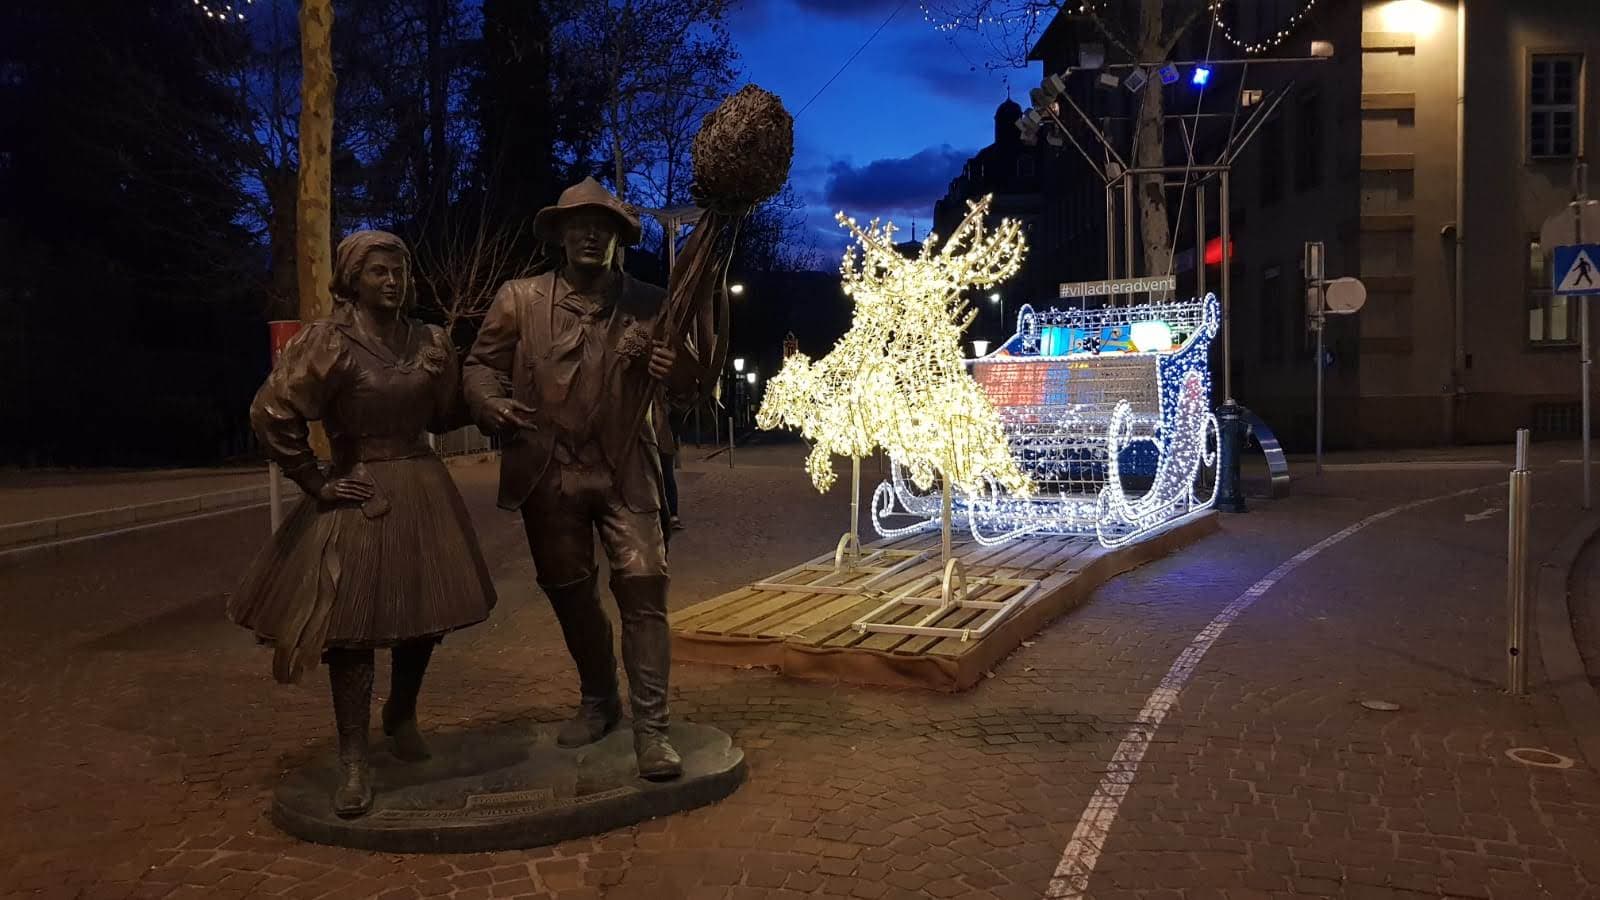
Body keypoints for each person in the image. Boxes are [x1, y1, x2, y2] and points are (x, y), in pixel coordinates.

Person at [230, 231, 497, 818]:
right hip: (360, 485)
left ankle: (401, 712)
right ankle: (353, 755)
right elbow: (271, 411)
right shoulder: (328, 341)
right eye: (379, 271)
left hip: (423, 485)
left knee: (426, 616)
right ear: (354, 279)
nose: (394, 281)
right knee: (351, 628)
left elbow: (450, 414)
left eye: (400, 270)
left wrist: (473, 377)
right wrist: (314, 479)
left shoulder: (429, 338)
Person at [463, 178, 699, 780]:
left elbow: (694, 387)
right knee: (569, 590)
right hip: (550, 470)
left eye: (605, 227)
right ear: (561, 236)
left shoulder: (651, 300)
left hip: (627, 468)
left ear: (620, 239)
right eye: (580, 226)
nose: (591, 235)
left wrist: (678, 373)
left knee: (644, 584)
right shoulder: (518, 299)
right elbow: (480, 366)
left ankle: (653, 728)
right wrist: (489, 403)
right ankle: (600, 698)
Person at [655, 395, 684, 533]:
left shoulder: (667, 400)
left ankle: (672, 514)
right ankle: (665, 514)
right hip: (654, 443)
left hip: (664, 443)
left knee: (667, 477)